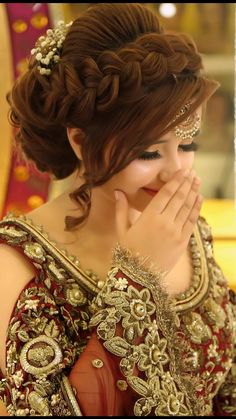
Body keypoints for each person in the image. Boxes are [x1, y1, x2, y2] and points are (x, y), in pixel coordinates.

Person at [0, 3, 235, 416]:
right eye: (148, 151)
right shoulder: (16, 266)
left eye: (188, 144)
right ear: (79, 141)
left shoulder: (186, 227)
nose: (175, 170)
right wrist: (137, 280)